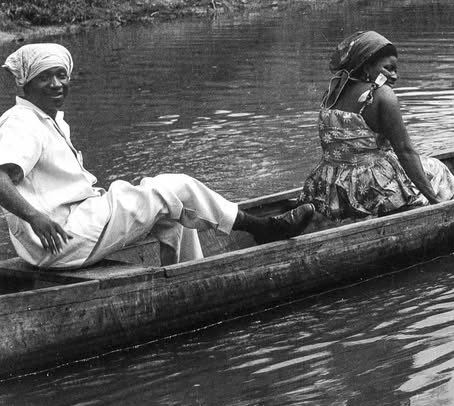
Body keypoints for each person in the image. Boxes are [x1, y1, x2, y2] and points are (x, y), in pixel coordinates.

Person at [0, 43, 315, 269]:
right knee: (175, 189)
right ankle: (263, 228)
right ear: (26, 84)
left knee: (176, 207)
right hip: (62, 238)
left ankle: (188, 274)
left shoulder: (48, 119)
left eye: (61, 75)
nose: (57, 84)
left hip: (74, 226)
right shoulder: (22, 122)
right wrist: (35, 217)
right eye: (45, 77)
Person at [299, 29, 454, 220]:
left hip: (328, 184)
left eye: (395, 70)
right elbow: (405, 151)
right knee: (436, 168)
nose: (394, 76)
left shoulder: (332, 92)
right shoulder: (381, 94)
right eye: (388, 68)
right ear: (367, 67)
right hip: (368, 186)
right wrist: (435, 202)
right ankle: (453, 216)